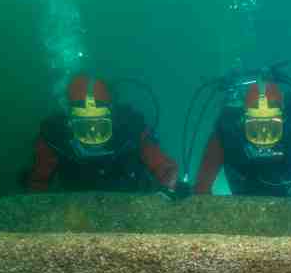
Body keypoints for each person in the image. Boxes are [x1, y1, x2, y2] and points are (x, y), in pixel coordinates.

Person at [23, 74, 183, 195]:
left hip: (128, 195)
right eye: (84, 126)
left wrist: (169, 184)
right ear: (70, 122)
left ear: (111, 118)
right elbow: (38, 179)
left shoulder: (131, 128)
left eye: (100, 125)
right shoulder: (55, 135)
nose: (93, 134)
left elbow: (162, 165)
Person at [194, 77, 291, 200]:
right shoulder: (228, 132)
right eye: (256, 126)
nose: (264, 133)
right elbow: (202, 186)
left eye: (271, 125)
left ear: (284, 119)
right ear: (243, 120)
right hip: (246, 196)